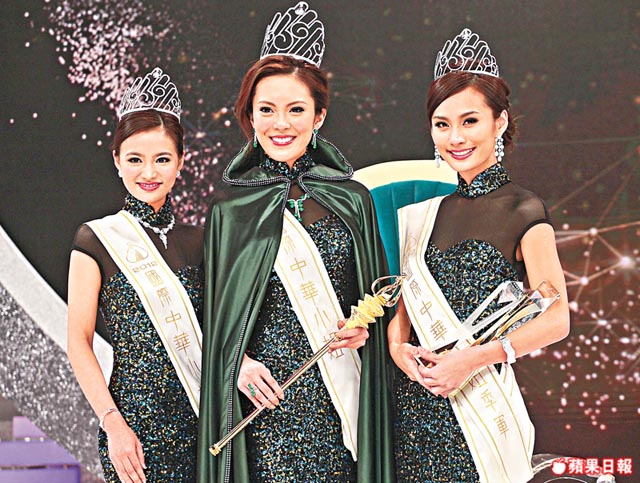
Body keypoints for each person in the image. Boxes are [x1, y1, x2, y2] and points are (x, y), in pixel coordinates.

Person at [197, 3, 394, 482]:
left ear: (319, 116)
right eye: (266, 110)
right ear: (250, 115)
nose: (280, 124)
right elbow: (213, 318)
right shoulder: (228, 211)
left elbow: (379, 300)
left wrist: (364, 330)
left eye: (296, 110)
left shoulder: (353, 200)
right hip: (266, 408)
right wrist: (237, 365)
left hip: (343, 401)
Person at [388, 29, 570, 482]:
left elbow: (556, 319)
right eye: (442, 124)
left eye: (469, 121)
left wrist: (470, 361)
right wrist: (396, 346)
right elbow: (405, 305)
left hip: (479, 402)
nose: (455, 137)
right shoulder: (424, 214)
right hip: (415, 406)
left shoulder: (523, 209)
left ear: (499, 122)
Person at [66, 67, 203, 483]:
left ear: (180, 162)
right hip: (135, 431)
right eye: (135, 160)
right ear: (117, 161)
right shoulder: (96, 239)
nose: (149, 173)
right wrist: (113, 424)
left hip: (207, 423)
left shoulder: (201, 240)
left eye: (162, 159)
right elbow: (78, 341)